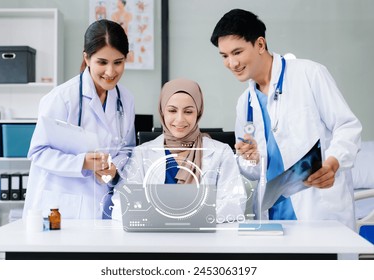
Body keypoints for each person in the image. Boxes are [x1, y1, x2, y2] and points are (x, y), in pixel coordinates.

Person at [210, 9, 362, 229]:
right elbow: (253, 170)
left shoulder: (310, 74)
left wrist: (333, 163)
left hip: (318, 209)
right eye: (224, 56)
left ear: (260, 45)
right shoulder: (245, 103)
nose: (232, 63)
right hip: (273, 216)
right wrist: (250, 159)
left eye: (237, 52)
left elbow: (347, 126)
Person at [23, 19, 136, 220]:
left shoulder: (125, 99)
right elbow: (38, 152)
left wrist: (114, 167)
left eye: (118, 62)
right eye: (102, 62)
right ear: (87, 57)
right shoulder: (62, 98)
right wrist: (82, 162)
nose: (111, 72)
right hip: (62, 206)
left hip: (103, 203)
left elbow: (126, 149)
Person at [111, 78, 247, 222]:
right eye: (172, 110)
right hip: (155, 239)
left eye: (188, 111)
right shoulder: (142, 153)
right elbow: (121, 204)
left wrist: (180, 216)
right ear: (162, 111)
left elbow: (235, 204)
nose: (180, 119)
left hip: (205, 240)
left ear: (198, 113)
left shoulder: (221, 152)